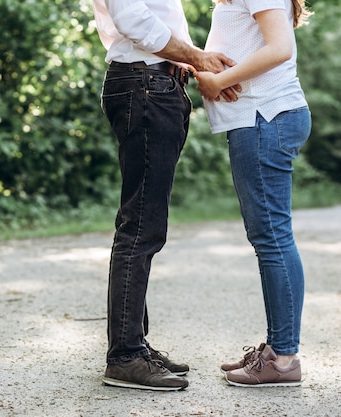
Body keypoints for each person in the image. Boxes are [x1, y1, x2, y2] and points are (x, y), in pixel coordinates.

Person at [90, 0, 240, 391]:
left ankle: (134, 346)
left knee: (143, 224)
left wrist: (190, 65)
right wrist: (199, 57)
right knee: (141, 227)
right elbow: (132, 19)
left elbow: (155, 19)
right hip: (145, 85)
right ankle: (124, 356)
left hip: (155, 83)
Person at [194, 0, 312, 387]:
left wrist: (219, 82)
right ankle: (279, 348)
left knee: (272, 238)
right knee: (270, 237)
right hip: (261, 119)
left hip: (265, 118)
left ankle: (283, 359)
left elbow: (280, 48)